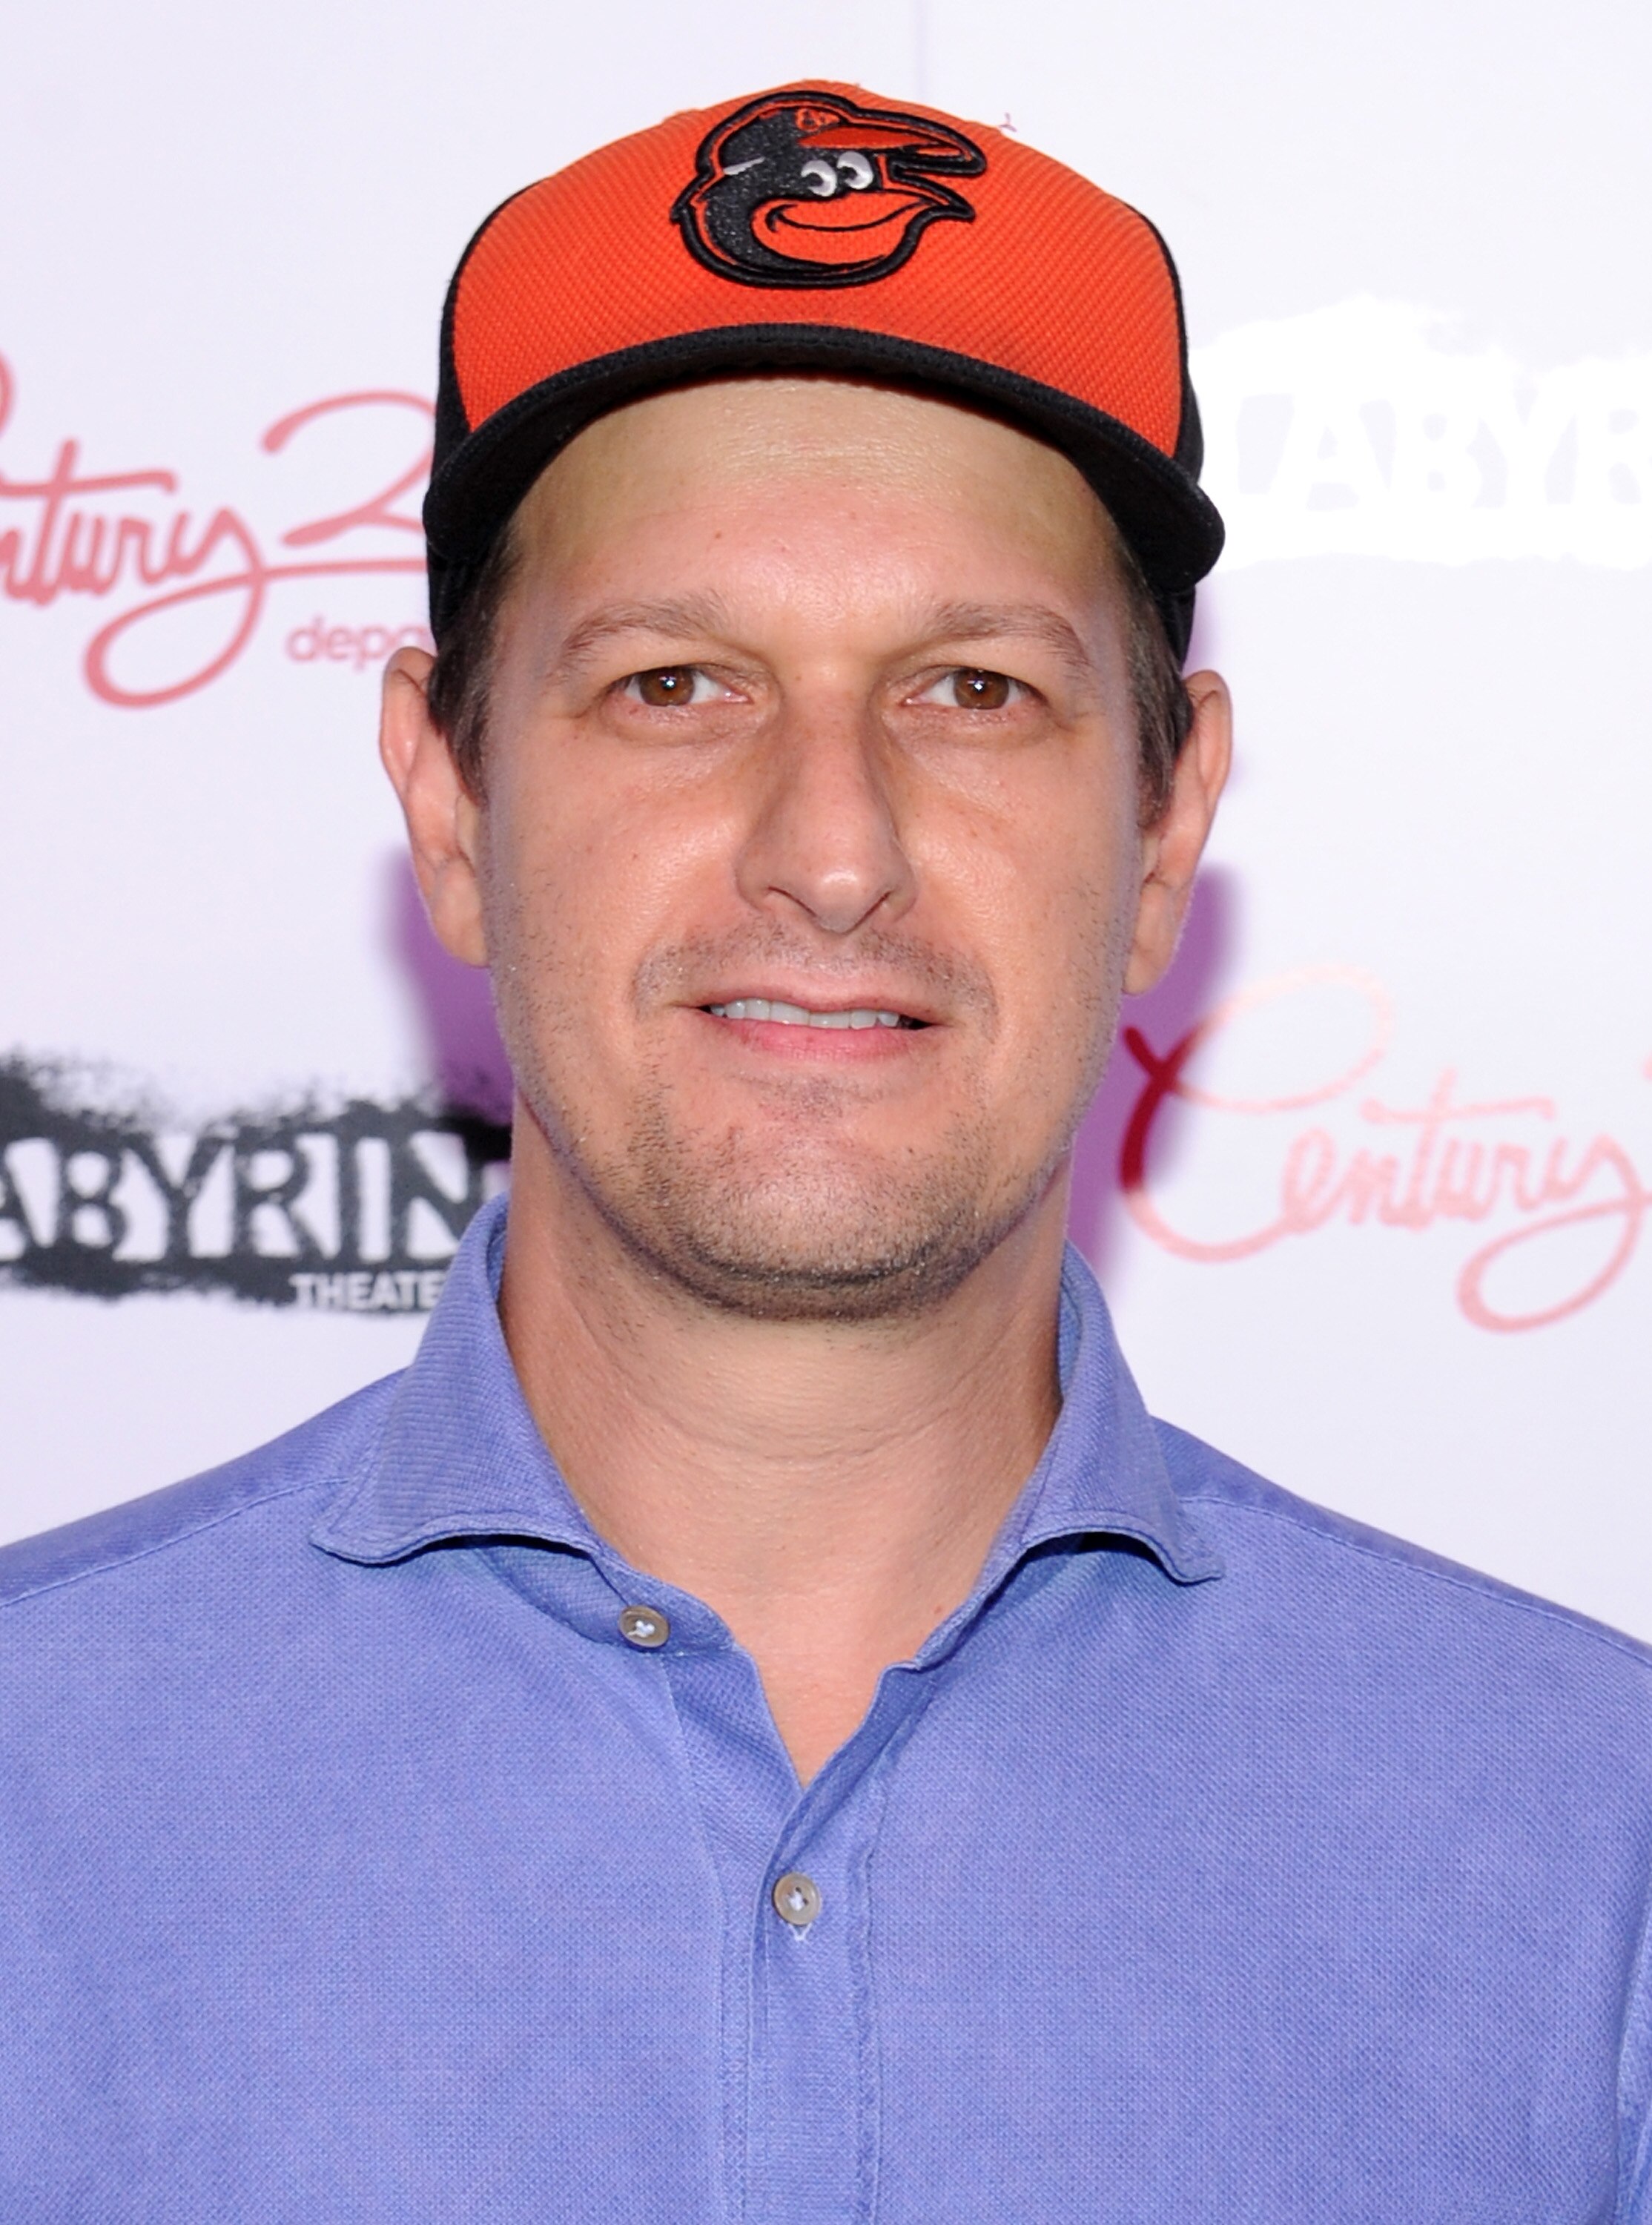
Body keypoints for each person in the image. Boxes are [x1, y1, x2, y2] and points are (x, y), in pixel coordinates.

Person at [2, 82, 1649, 2224]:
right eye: (677, 683)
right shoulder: (35, 1789)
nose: (833, 851)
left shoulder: (1585, 1844)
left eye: (969, 691)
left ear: (1163, 828)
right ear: (447, 804)